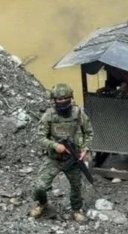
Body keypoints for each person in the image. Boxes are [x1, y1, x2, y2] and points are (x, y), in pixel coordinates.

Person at [30, 83, 93, 222]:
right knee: (40, 187)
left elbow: (89, 133)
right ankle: (42, 204)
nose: (63, 101)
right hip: (54, 159)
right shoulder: (49, 115)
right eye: (59, 99)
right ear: (54, 100)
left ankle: (76, 210)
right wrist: (55, 145)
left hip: (74, 158)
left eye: (66, 98)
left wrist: (84, 149)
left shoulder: (78, 113)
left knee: (76, 187)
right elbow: (40, 137)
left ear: (71, 98)